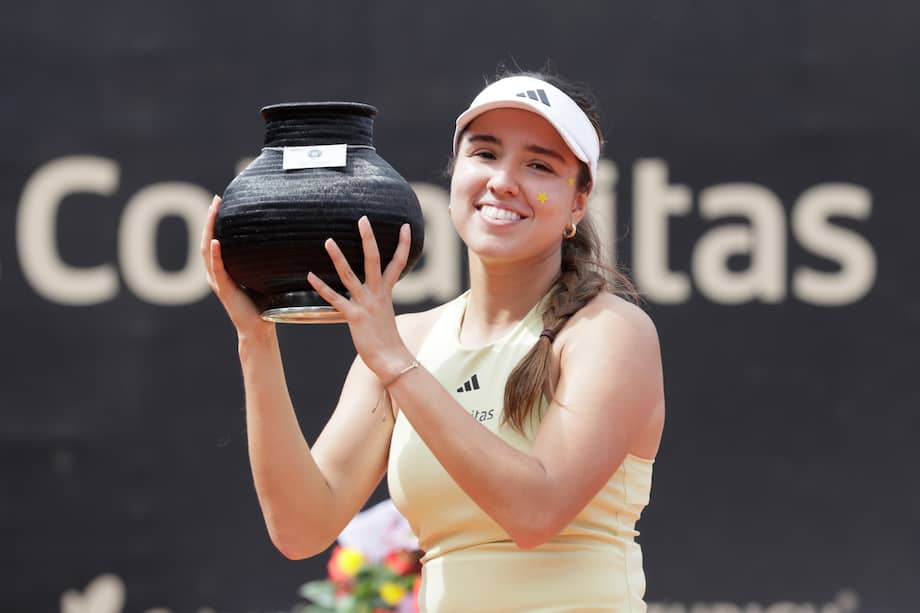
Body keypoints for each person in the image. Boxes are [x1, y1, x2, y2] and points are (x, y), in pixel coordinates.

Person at [201, 69, 666, 612]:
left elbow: (535, 513)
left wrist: (396, 364)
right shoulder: (407, 341)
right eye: (485, 154)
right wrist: (255, 339)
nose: (504, 182)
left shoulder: (609, 331)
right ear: (454, 175)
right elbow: (301, 527)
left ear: (577, 202)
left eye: (539, 165)